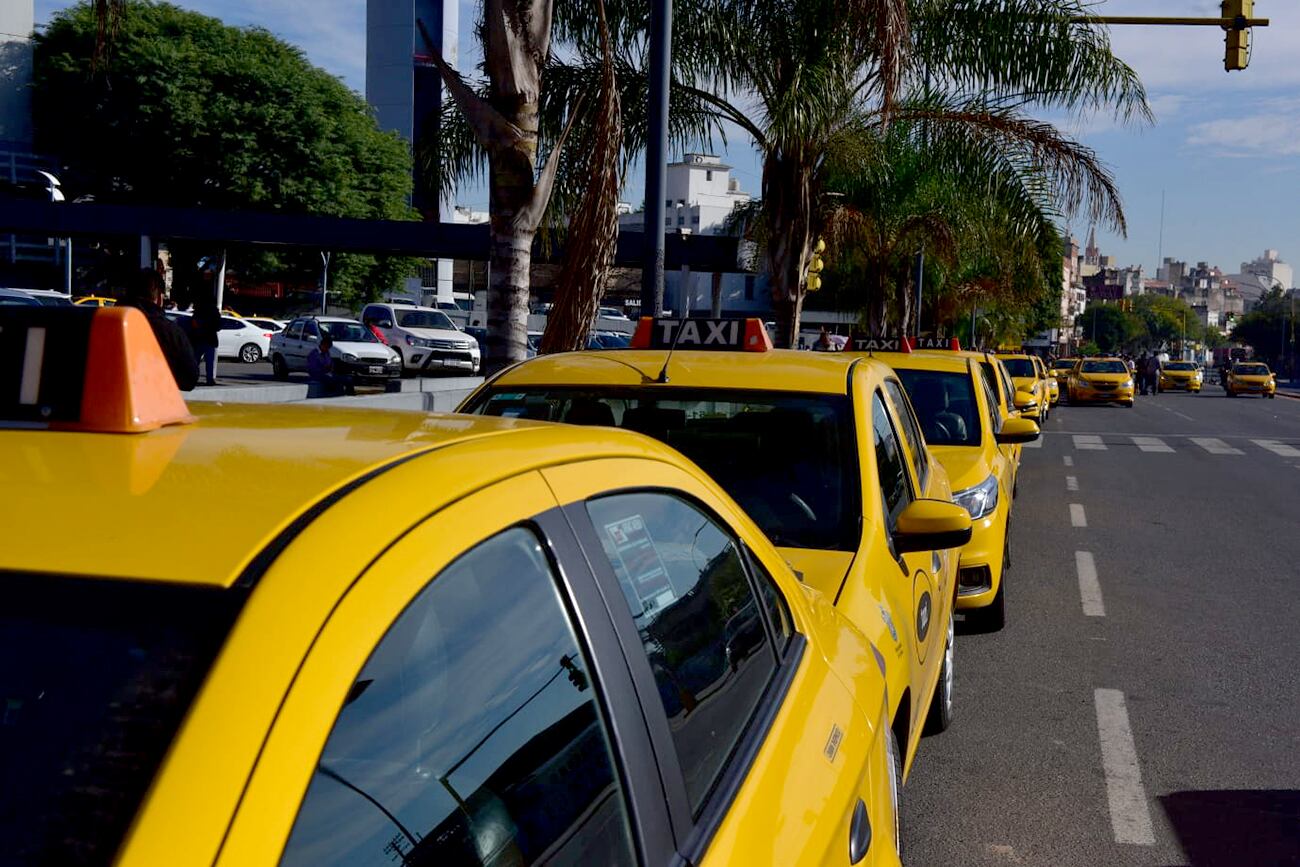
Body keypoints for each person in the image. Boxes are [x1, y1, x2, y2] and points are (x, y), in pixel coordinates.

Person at [118, 268, 199, 391]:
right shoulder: (170, 332)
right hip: (151, 403)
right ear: (159, 298)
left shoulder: (104, 322)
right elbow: (190, 378)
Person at [189, 288, 221, 386]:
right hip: (210, 339)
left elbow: (193, 322)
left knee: (195, 360)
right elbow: (218, 325)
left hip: (199, 338)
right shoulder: (214, 311)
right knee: (209, 361)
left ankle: (191, 378)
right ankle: (209, 379)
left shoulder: (199, 309)